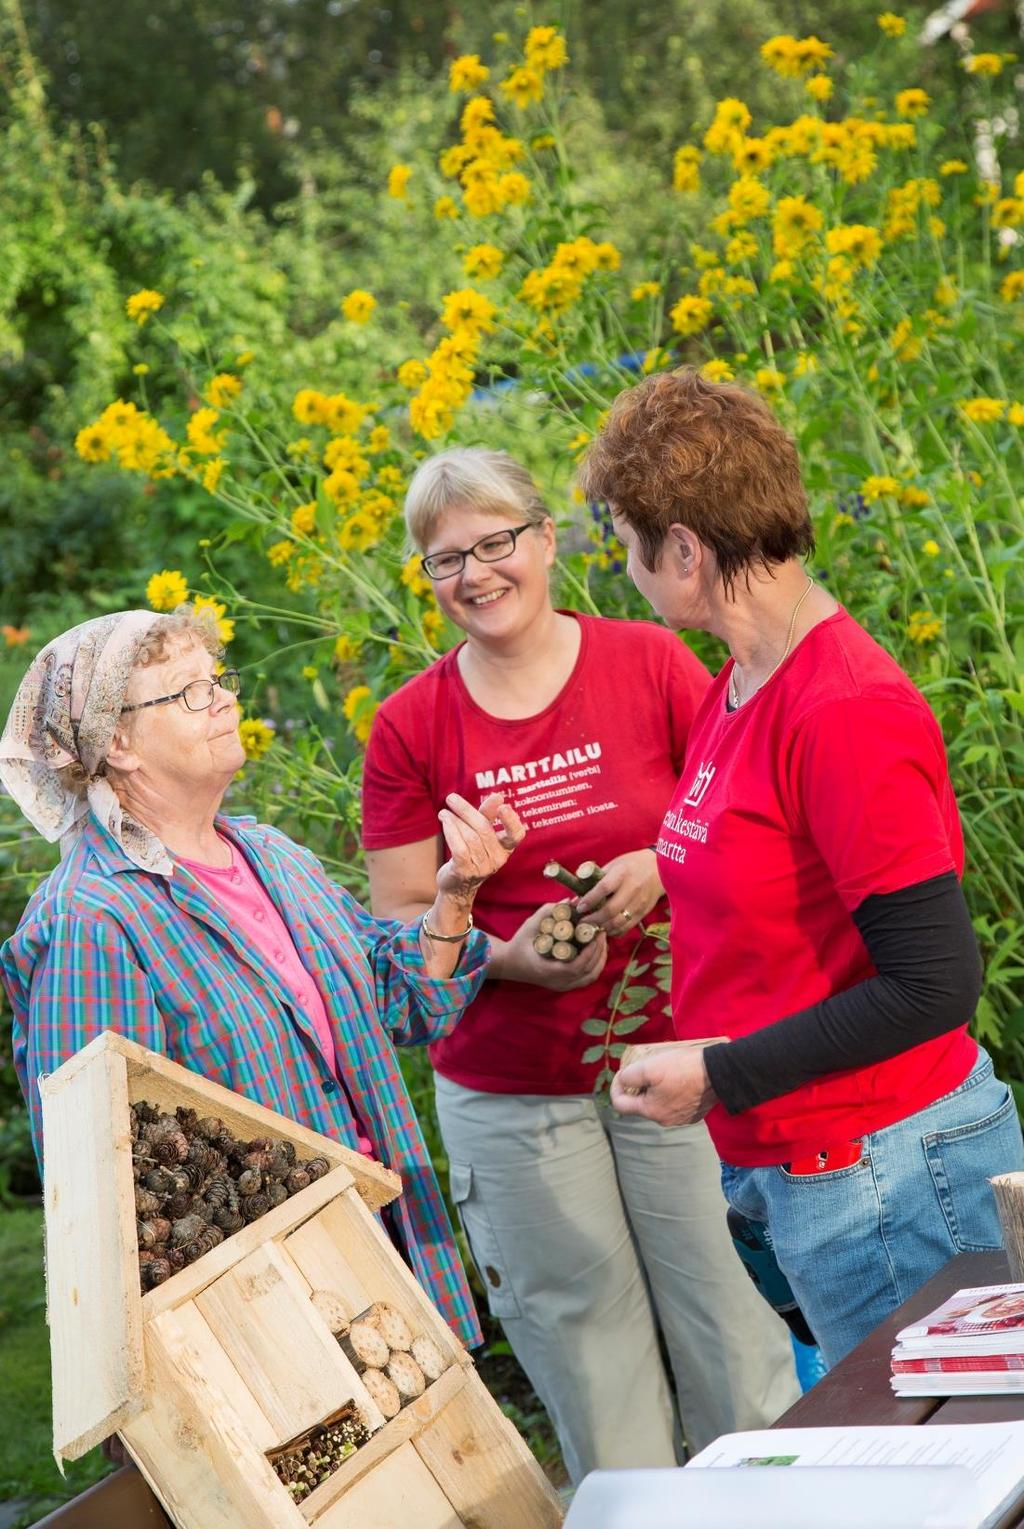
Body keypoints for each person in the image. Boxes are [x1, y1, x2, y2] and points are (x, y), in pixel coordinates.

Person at [361, 446, 799, 1483]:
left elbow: (745, 816)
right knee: (593, 1372)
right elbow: (399, 917)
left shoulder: (649, 662)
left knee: (736, 1337)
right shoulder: (410, 724)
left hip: (683, 1064)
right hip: (514, 1093)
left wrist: (659, 859)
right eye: (443, 559)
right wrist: (506, 958)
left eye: (495, 542)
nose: (474, 574)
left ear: (546, 538)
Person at [577, 367, 1024, 1367]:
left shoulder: (841, 709)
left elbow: (935, 982)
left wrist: (721, 1070)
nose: (625, 574)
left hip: (890, 1172)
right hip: (807, 1164)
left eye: (626, 548)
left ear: (683, 548)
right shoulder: (740, 682)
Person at [0, 607, 524, 1345]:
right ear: (116, 743)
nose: (223, 699)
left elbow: (397, 997)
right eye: (187, 691)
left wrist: (455, 893)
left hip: (385, 1256)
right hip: (270, 1317)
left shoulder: (271, 856)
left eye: (218, 680)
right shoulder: (94, 919)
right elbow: (105, 1178)